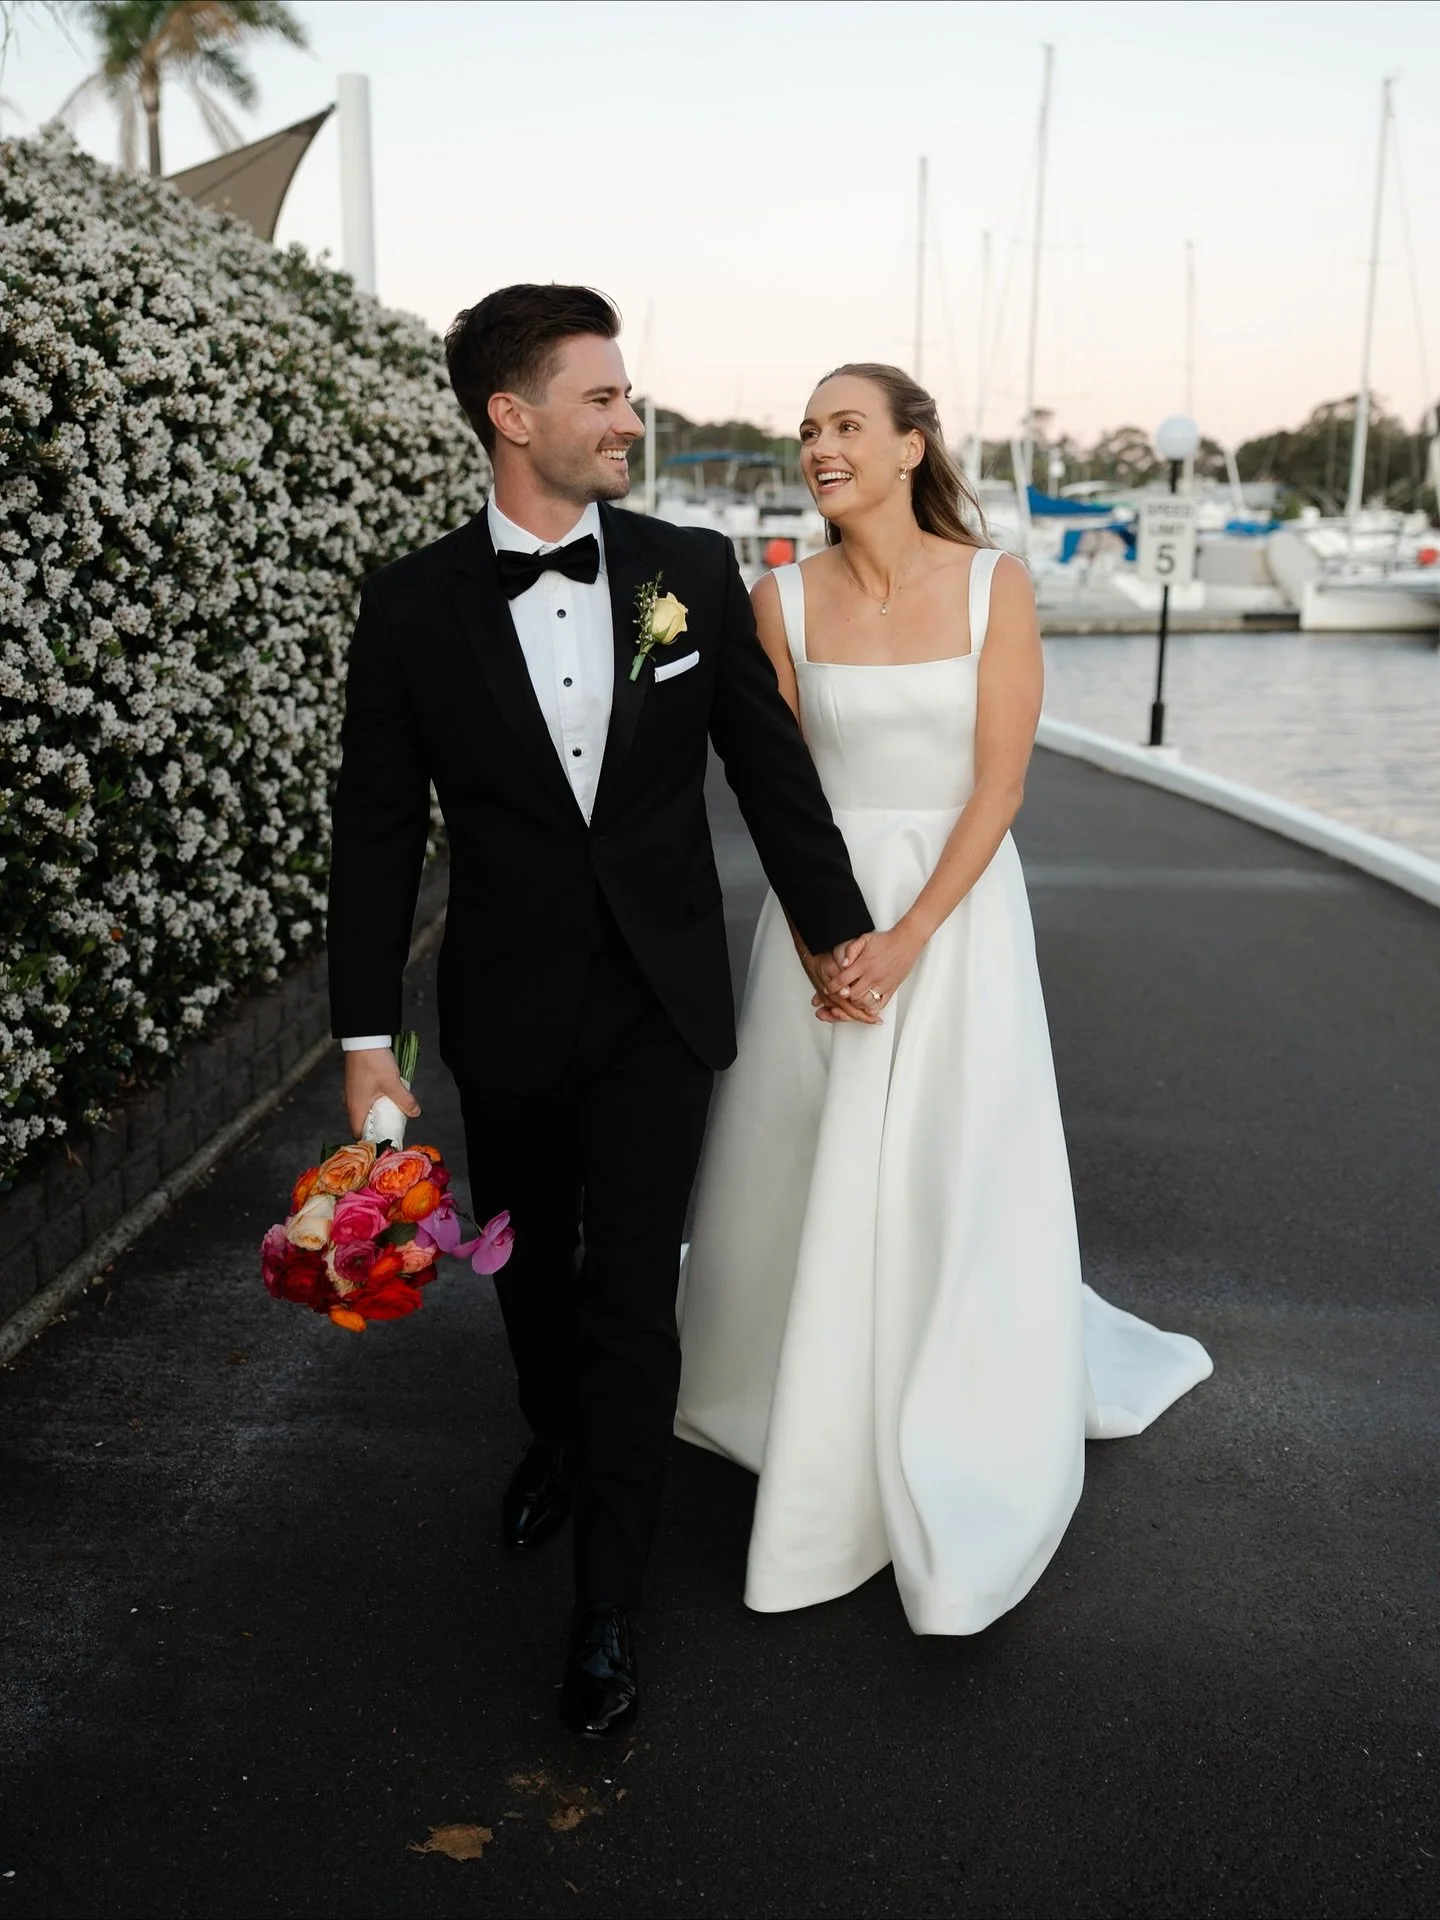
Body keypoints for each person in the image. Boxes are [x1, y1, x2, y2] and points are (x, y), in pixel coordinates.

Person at [325, 286, 871, 1736]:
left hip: (656, 1004)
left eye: (630, 396)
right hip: (505, 1008)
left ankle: (608, 1609)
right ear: (513, 417)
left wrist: (844, 943)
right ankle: (553, 1435)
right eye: (604, 396)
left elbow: (772, 779)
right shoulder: (411, 607)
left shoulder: (688, 568)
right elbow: (374, 833)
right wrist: (364, 1042)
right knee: (526, 1268)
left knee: (635, 1294)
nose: (633, 417)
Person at [675, 363, 1212, 1635]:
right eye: (807, 431)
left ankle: (959, 1388)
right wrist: (824, 936)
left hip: (955, 918)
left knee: (945, 1156)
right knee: (807, 1144)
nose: (819, 446)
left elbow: (999, 789)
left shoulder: (994, 585)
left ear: (914, 446)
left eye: (846, 425)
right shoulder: (778, 597)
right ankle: (779, 1384)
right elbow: (772, 779)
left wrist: (910, 934)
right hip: (821, 913)